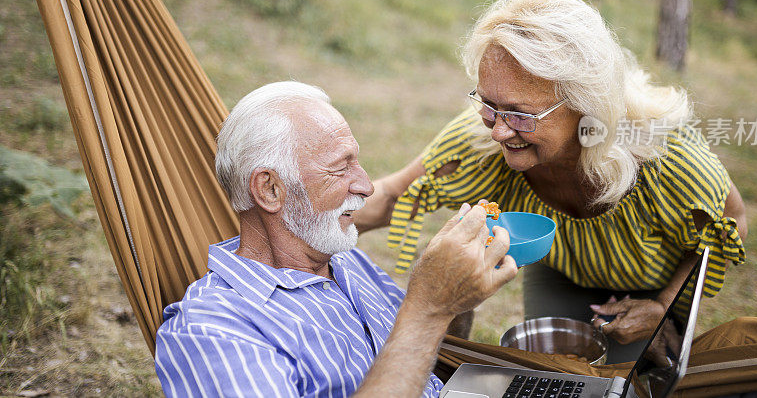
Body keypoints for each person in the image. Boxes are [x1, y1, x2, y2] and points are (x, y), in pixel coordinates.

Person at [354, 0, 748, 363]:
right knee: (553, 371)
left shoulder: (668, 159)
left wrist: (663, 305)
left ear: (584, 103)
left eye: (520, 114)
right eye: (488, 104)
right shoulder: (477, 142)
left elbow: (732, 220)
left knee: (632, 381)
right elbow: (391, 195)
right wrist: (303, 235)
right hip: (563, 266)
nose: (498, 131)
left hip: (653, 277)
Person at [154, 81, 517, 397]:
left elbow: (422, 359)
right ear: (269, 189)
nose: (365, 185)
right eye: (340, 168)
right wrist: (428, 306)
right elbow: (421, 325)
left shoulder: (345, 260)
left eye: (356, 163)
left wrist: (455, 292)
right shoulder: (214, 330)